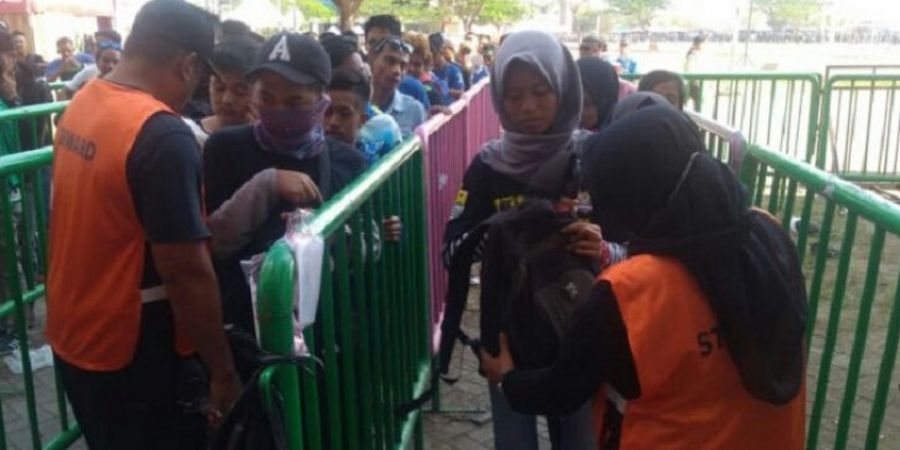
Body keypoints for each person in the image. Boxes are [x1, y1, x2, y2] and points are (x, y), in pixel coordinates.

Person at [482, 106, 807, 450]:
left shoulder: (629, 293)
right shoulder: (769, 233)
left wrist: (506, 378)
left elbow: (562, 390)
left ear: (632, 193)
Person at [46, 1, 240, 449]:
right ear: (188, 65)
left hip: (74, 337)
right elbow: (186, 271)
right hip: (131, 354)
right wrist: (222, 371)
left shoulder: (85, 101)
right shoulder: (162, 135)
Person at [443, 30, 603, 450]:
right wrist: (494, 235)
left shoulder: (592, 155)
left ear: (564, 88)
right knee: (514, 440)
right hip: (506, 334)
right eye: (513, 97)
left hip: (579, 328)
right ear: (498, 98)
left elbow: (628, 244)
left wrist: (604, 247)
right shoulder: (487, 164)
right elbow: (451, 248)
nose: (528, 107)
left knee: (580, 439)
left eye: (540, 91)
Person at [203, 32, 366, 334]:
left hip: (324, 332)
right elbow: (214, 244)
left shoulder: (348, 162)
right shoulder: (224, 148)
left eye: (294, 102)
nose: (279, 110)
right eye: (266, 98)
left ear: (320, 100)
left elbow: (357, 256)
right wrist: (265, 185)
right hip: (245, 328)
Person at [184, 37, 260, 146]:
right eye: (219, 88)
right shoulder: (190, 136)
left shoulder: (269, 143)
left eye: (240, 91)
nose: (226, 100)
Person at [326, 68, 401, 165]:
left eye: (344, 114)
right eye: (327, 112)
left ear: (362, 120)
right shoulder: (305, 159)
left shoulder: (374, 166)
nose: (333, 122)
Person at [363, 15, 431, 110]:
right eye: (372, 43)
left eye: (385, 42)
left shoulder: (414, 90)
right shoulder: (350, 87)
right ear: (365, 45)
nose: (376, 49)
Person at [368, 35, 426, 136]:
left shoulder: (414, 110)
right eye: (390, 61)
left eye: (403, 66)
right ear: (372, 59)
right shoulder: (355, 106)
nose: (397, 71)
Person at [63, 30, 123, 95]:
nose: (94, 48)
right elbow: (69, 88)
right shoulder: (90, 72)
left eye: (100, 44)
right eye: (93, 45)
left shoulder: (128, 77)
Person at [404, 31, 451, 107]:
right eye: (406, 63)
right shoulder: (386, 88)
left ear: (425, 66)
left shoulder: (431, 93)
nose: (411, 68)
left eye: (417, 65)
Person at [576, 57, 619, 132]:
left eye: (586, 103)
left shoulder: (620, 138)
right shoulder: (558, 136)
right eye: (571, 102)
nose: (578, 112)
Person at [430, 33, 465, 99]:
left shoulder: (454, 70)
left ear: (441, 52)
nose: (432, 59)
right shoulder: (429, 71)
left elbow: (461, 92)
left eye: (434, 55)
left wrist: (446, 90)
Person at [684, 35, 704, 106]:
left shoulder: (692, 53)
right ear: (699, 44)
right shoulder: (693, 55)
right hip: (694, 82)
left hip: (692, 82)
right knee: (697, 103)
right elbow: (690, 69)